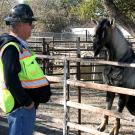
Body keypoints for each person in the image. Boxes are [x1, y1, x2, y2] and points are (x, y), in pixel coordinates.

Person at [0, 4, 51, 135]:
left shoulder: (18, 46)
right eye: (30, 23)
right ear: (21, 24)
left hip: (23, 108)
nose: (32, 27)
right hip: (21, 108)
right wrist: (27, 103)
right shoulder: (11, 47)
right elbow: (10, 79)